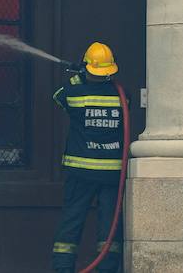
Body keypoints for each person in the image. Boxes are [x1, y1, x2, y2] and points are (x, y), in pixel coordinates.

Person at [51, 41, 125, 272]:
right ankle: (107, 268)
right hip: (112, 174)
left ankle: (63, 268)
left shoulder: (74, 93)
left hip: (80, 173)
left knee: (72, 222)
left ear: (86, 67)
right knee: (109, 227)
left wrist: (78, 77)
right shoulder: (121, 96)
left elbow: (57, 96)